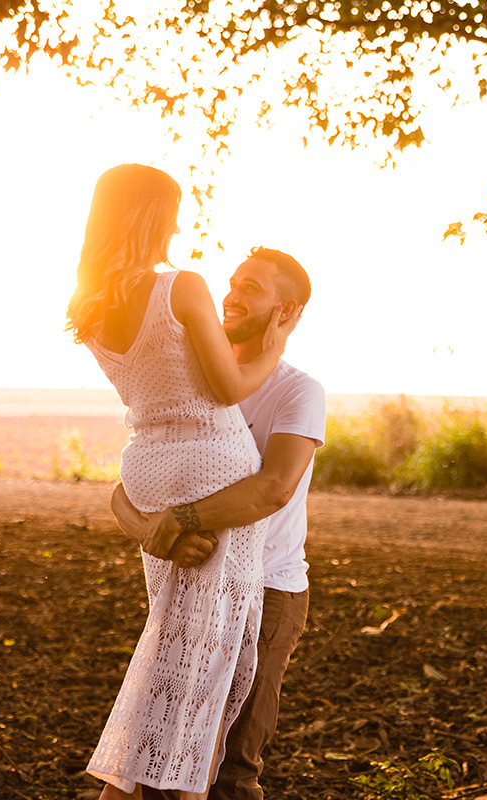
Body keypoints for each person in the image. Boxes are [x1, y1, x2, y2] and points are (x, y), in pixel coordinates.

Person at [67, 164, 301, 800]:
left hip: (147, 467)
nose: (179, 223)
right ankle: (178, 786)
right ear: (152, 216)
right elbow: (226, 387)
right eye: (172, 210)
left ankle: (135, 781)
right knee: (198, 677)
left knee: (168, 651)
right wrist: (273, 349)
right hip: (208, 467)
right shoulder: (182, 286)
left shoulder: (89, 305)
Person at [110, 247, 325, 800]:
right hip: (188, 590)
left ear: (287, 310)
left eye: (251, 287)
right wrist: (151, 532)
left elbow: (271, 489)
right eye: (232, 282)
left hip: (266, 590)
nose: (231, 295)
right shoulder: (192, 374)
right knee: (153, 762)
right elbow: (131, 487)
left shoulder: (298, 391)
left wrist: (180, 519)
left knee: (226, 769)